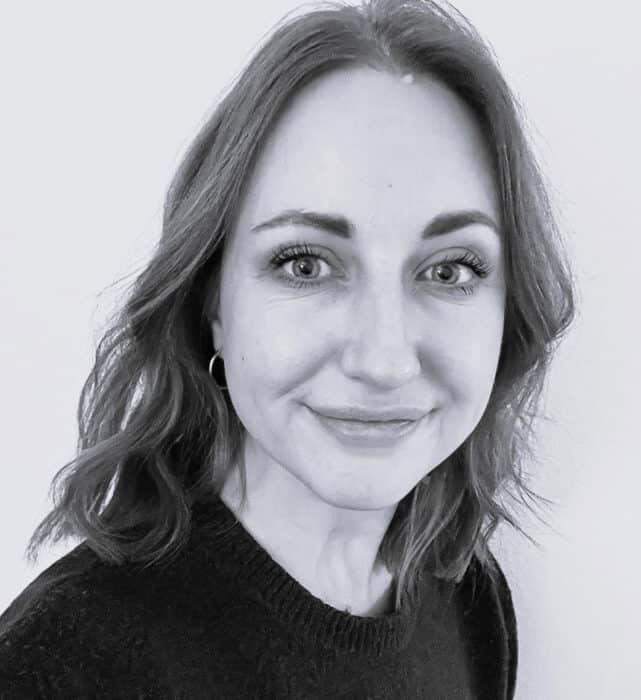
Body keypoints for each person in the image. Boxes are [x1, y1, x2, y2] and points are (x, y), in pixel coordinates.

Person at [0, 0, 576, 698]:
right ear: (211, 302)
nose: (383, 359)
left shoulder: (467, 598)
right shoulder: (64, 666)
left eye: (450, 270)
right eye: (305, 264)